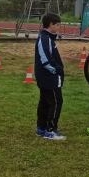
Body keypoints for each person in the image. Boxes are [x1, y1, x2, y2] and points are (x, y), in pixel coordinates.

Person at [34, 13, 66, 141]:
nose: (59, 27)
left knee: (45, 101)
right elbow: (45, 60)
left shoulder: (49, 38)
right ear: (51, 24)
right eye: (57, 24)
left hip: (47, 76)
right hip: (48, 77)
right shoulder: (44, 38)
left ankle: (41, 128)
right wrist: (57, 70)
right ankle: (50, 130)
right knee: (56, 101)